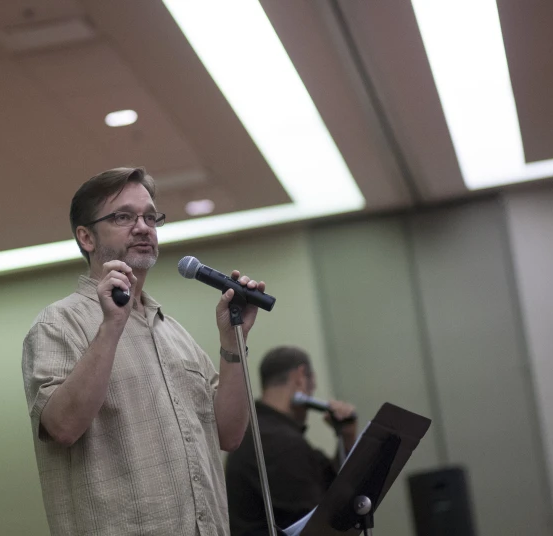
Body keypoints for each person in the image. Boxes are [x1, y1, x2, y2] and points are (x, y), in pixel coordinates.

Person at [22, 167, 267, 536]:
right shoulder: (57, 325)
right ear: (86, 237)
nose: (143, 227)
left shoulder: (173, 333)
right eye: (123, 216)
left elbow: (229, 435)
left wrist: (233, 343)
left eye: (150, 217)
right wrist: (111, 327)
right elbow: (62, 426)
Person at [225, 346, 358, 536]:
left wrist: (347, 438)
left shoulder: (256, 433)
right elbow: (324, 523)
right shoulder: (282, 444)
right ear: (300, 377)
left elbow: (328, 483)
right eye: (312, 387)